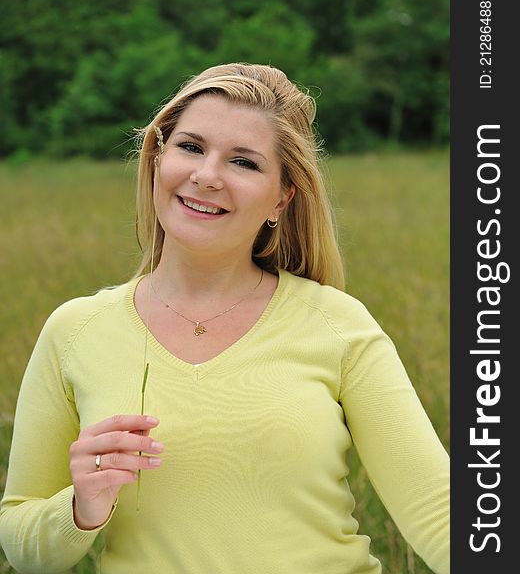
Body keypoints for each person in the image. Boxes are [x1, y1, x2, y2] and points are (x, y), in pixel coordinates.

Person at [0, 63, 449, 574]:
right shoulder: (75, 331)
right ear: (157, 159)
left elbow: (440, 512)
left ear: (281, 199)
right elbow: (23, 545)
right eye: (190, 147)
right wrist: (80, 508)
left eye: (244, 163)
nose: (206, 176)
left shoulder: (336, 325)